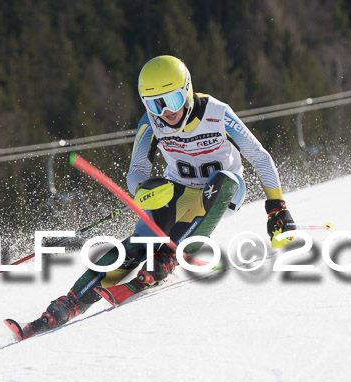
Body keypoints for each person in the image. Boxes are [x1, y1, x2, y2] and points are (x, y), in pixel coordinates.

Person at [21, 55, 295, 338]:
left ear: (187, 90)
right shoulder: (151, 123)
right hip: (179, 191)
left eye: (173, 101)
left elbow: (260, 157)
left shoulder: (218, 113)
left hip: (225, 191)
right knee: (140, 243)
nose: (166, 112)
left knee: (222, 182)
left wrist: (277, 208)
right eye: (155, 103)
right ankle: (69, 303)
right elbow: (137, 170)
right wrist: (144, 190)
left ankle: (169, 256)